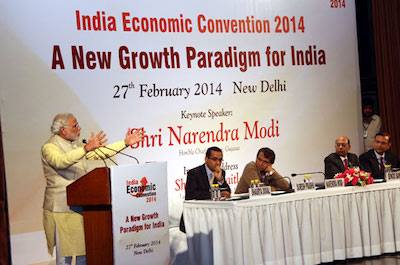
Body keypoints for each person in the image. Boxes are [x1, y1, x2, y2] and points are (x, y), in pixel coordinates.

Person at [41, 113, 142, 265]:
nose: (79, 128)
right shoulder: (49, 147)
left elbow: (102, 152)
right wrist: (86, 148)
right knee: (65, 257)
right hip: (60, 208)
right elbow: (60, 161)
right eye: (75, 125)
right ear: (63, 130)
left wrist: (125, 142)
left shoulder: (74, 146)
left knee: (84, 252)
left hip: (79, 205)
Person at [179, 146, 231, 233]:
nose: (218, 163)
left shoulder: (221, 172)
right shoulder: (194, 173)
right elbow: (191, 195)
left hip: (213, 215)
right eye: (214, 159)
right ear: (206, 159)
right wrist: (216, 194)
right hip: (195, 216)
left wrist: (220, 180)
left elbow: (227, 192)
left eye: (220, 160)